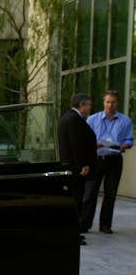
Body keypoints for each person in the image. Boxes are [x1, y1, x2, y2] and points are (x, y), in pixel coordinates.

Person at [81, 90, 134, 234]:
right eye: (107, 102)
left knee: (110, 194)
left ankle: (105, 225)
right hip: (96, 159)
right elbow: (85, 139)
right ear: (104, 103)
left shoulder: (125, 121)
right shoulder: (92, 119)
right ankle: (84, 224)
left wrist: (124, 146)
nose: (110, 105)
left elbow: (129, 140)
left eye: (113, 102)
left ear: (118, 103)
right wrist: (94, 144)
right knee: (90, 193)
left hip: (115, 159)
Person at [57, 93, 97, 245]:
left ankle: (73, 231)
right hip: (75, 169)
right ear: (82, 105)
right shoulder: (74, 120)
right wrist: (83, 164)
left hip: (70, 167)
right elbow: (76, 144)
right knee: (76, 201)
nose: (89, 108)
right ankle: (73, 232)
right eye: (88, 105)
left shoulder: (66, 117)